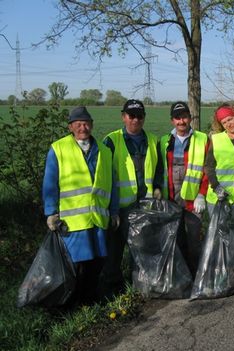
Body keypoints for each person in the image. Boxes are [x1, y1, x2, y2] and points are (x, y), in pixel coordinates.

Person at [43, 106, 118, 305]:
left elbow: (113, 183)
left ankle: (91, 299)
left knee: (98, 262)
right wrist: (51, 213)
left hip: (98, 218)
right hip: (73, 222)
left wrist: (114, 211)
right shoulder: (58, 149)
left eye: (86, 123)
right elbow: (50, 183)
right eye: (78, 124)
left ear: (92, 125)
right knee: (77, 265)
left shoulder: (104, 150)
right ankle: (73, 303)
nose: (83, 127)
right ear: (70, 127)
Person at [100, 99, 159, 296]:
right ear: (123, 116)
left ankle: (140, 287)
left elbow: (158, 169)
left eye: (139, 116)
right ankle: (112, 290)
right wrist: (112, 209)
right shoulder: (111, 140)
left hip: (144, 205)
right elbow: (103, 176)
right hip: (120, 206)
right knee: (115, 251)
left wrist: (157, 188)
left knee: (142, 248)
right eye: (131, 115)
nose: (136, 119)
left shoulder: (152, 140)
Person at [156, 101, 209, 277]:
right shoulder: (164, 141)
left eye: (184, 117)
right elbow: (158, 169)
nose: (181, 121)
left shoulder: (202, 139)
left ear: (190, 118)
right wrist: (158, 190)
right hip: (171, 199)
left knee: (195, 240)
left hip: (193, 200)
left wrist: (202, 194)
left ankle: (197, 276)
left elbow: (207, 170)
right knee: (176, 240)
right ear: (172, 120)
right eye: (177, 118)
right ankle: (180, 277)